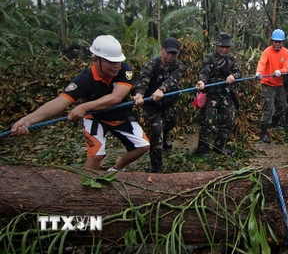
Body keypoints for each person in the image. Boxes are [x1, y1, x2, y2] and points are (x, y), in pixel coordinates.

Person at [10, 35, 150, 171]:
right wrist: (26, 120)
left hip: (119, 116)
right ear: (96, 60)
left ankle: (114, 170)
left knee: (143, 146)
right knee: (96, 156)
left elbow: (116, 98)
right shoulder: (84, 79)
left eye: (118, 61)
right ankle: (84, 188)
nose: (116, 66)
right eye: (111, 62)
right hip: (95, 117)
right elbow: (60, 101)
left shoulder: (125, 70)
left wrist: (83, 106)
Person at [133, 37, 186, 173]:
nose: (170, 56)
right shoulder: (151, 64)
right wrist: (139, 94)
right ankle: (156, 169)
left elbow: (173, 79)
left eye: (174, 54)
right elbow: (143, 79)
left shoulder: (179, 65)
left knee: (171, 122)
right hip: (152, 104)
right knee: (156, 132)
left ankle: (164, 140)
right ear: (161, 50)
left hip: (168, 102)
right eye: (168, 52)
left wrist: (162, 89)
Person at [195, 32, 242, 156]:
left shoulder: (231, 59)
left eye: (227, 47)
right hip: (211, 95)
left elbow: (238, 73)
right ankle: (203, 149)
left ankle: (220, 146)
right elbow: (204, 73)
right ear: (217, 46)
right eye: (222, 47)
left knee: (228, 119)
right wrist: (202, 81)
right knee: (208, 121)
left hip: (225, 94)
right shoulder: (209, 58)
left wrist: (233, 76)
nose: (224, 49)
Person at [256, 29, 288, 143]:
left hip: (279, 84)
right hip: (267, 84)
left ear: (283, 42)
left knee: (283, 106)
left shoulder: (285, 52)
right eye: (275, 41)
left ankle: (274, 123)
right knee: (268, 109)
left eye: (279, 42)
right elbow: (262, 63)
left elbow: (286, 67)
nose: (277, 44)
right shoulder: (267, 51)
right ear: (272, 41)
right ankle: (264, 132)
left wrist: (280, 71)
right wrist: (259, 73)